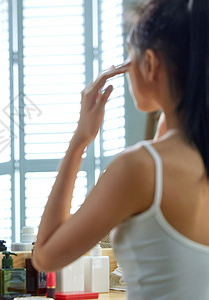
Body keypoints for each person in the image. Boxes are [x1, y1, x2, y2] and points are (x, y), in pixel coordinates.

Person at [32, 0, 208, 298]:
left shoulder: (141, 167)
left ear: (150, 64)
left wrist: (80, 139)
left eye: (130, 58)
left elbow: (45, 256)